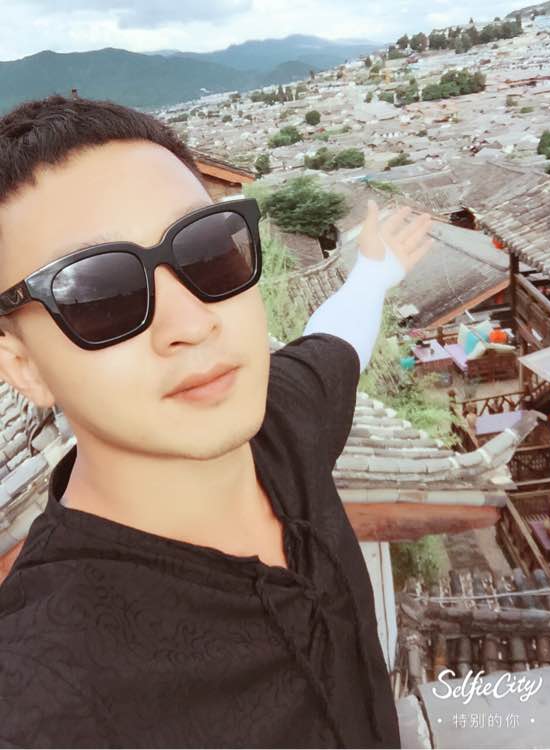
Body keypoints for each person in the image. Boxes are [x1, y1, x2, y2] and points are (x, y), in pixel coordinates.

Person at [0, 95, 432, 748]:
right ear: (23, 365)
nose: (191, 322)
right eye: (99, 293)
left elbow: (336, 343)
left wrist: (375, 273)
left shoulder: (282, 427)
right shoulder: (46, 696)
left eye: (206, 252)